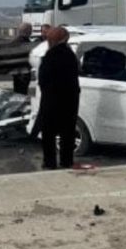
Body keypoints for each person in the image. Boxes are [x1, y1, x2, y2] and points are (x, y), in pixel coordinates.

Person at [37, 26, 80, 169]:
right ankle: (66, 161)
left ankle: (49, 162)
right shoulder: (70, 55)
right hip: (69, 100)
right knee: (67, 133)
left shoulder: (49, 56)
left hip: (51, 100)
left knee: (48, 133)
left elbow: (42, 79)